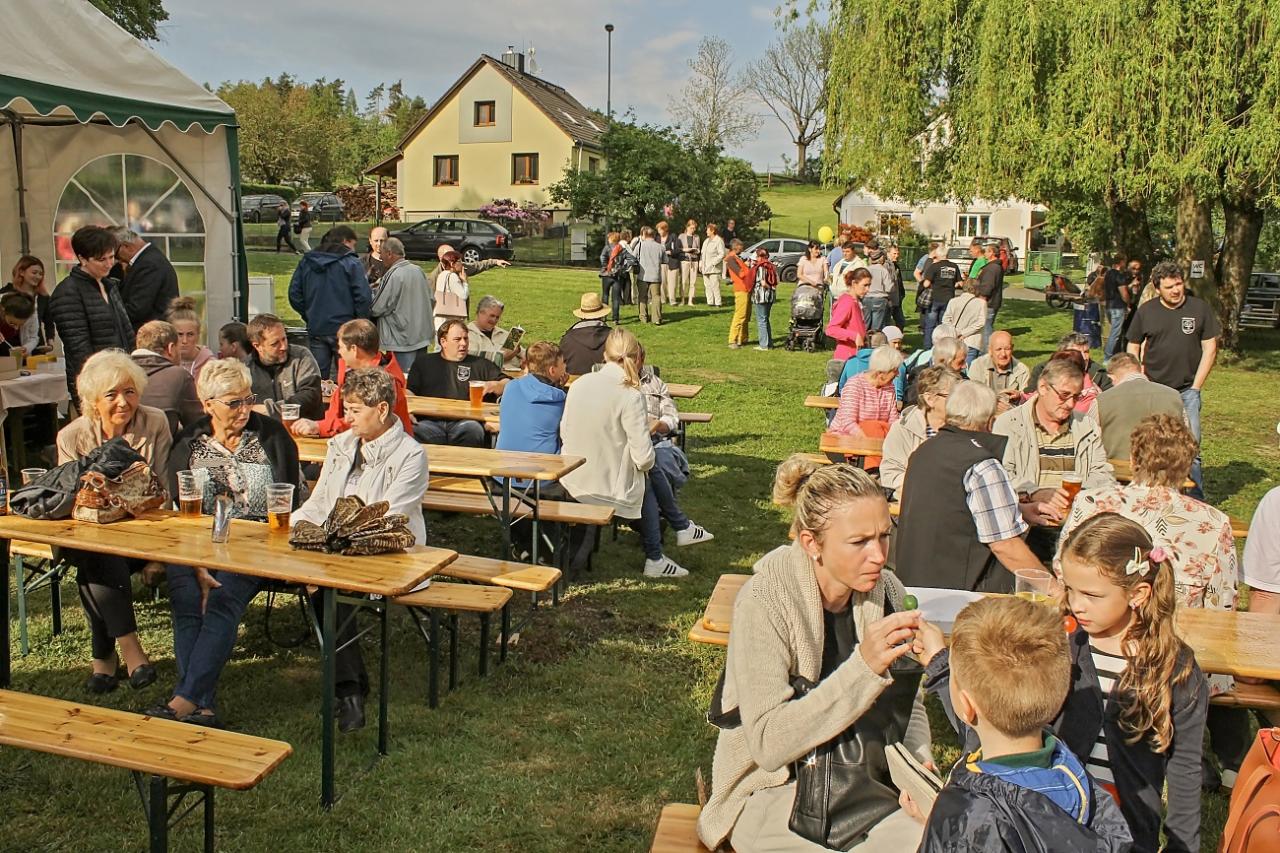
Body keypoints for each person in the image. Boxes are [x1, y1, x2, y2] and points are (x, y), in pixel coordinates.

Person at [697, 457, 932, 852]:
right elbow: (769, 745)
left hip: (868, 783)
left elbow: (912, 702)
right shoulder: (765, 601)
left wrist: (919, 769)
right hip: (776, 790)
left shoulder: (889, 591)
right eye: (859, 542)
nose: (878, 555)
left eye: (884, 536)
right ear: (811, 543)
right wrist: (864, 668)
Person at [146, 358, 304, 728]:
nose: (245, 409)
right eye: (234, 402)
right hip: (195, 542)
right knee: (187, 599)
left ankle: (185, 700)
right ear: (208, 405)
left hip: (257, 542)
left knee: (221, 599)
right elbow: (179, 508)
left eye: (248, 399)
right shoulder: (189, 443)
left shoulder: (272, 436)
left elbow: (291, 497)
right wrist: (199, 561)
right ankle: (201, 706)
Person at [909, 598, 1133, 852]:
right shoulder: (1071, 773)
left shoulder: (971, 819)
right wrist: (940, 663)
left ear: (967, 705)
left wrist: (944, 827)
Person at [1055, 513, 1208, 853]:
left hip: (1129, 835)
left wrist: (1182, 846)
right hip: (1054, 824)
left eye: (1091, 595)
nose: (1075, 604)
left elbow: (1185, 768)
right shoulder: (1064, 646)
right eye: (1069, 589)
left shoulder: (1176, 669)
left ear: (1137, 593)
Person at [294, 368, 429, 732]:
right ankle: (350, 687)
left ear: (382, 409)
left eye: (354, 410)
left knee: (326, 587)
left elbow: (388, 518)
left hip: (390, 551)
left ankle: (349, 690)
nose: (346, 417)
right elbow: (320, 502)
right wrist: (292, 524)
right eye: (346, 409)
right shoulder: (341, 445)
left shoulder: (411, 455)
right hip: (336, 547)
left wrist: (330, 541)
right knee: (320, 582)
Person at [56, 350, 171, 692]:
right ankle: (131, 649)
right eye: (112, 394)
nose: (124, 402)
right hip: (87, 534)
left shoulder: (155, 423)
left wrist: (157, 557)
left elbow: (162, 490)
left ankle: (103, 660)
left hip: (144, 533)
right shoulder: (72, 437)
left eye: (130, 392)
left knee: (93, 566)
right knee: (97, 551)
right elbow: (74, 503)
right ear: (93, 401)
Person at [560, 328, 697, 579]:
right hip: (608, 485)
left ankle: (673, 537)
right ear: (637, 358)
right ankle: (665, 545)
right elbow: (644, 458)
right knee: (648, 474)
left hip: (573, 477)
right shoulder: (631, 396)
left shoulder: (578, 385)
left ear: (604, 355)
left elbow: (564, 432)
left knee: (647, 473)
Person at [895, 381, 1047, 592]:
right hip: (963, 594)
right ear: (990, 420)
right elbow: (1005, 546)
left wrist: (1017, 509)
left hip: (913, 585)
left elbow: (950, 510)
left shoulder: (923, 451)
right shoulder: (982, 464)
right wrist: (1054, 589)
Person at [1126, 260, 1219, 499]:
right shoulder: (1146, 312)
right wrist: (1139, 377)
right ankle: (1148, 494)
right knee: (1149, 444)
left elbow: (1210, 348)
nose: (1176, 290)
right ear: (1157, 288)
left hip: (1187, 391)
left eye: (1178, 284)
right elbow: (1133, 345)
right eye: (1169, 287)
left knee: (1192, 448)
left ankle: (1195, 499)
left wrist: (1196, 387)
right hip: (1154, 388)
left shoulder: (1199, 309)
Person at [993, 357, 1115, 531]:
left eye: (1076, 397)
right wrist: (1034, 492)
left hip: (1076, 525)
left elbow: (1104, 474)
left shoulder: (1086, 425)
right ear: (1043, 387)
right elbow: (1000, 475)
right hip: (1025, 524)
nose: (1070, 404)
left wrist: (1077, 493)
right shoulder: (1009, 424)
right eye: (1064, 395)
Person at [638, 344, 714, 547]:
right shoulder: (614, 385)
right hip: (628, 444)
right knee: (651, 467)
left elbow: (671, 416)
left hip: (655, 439)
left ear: (642, 358)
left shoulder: (655, 383)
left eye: (635, 357)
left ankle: (656, 530)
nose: (631, 361)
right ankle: (675, 525)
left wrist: (660, 424)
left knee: (661, 461)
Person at [49, 225, 134, 400]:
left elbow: (127, 331)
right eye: (101, 259)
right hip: (95, 383)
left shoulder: (110, 285)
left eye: (111, 257)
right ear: (82, 258)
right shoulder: (68, 292)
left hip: (122, 375)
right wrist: (100, 381)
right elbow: (79, 348)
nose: (109, 264)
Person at [291, 319, 411, 438]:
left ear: (354, 349)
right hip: (345, 438)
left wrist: (320, 427)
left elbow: (368, 423)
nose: (339, 352)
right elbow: (334, 412)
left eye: (341, 347)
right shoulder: (349, 371)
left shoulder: (385, 382)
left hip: (385, 443)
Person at [288, 224, 372, 380]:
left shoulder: (307, 262)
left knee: (318, 379)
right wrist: (359, 321)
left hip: (318, 326)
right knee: (349, 378)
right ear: (345, 241)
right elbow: (363, 297)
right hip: (346, 328)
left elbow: (294, 294)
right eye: (353, 245)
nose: (354, 249)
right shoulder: (351, 263)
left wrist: (309, 314)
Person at [407, 319, 507, 447]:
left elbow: (509, 384)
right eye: (457, 339)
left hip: (468, 421)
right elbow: (409, 392)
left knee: (472, 430)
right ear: (443, 342)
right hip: (429, 421)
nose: (463, 343)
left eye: (466, 339)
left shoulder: (481, 364)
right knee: (415, 430)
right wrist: (407, 411)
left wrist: (495, 385)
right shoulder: (424, 363)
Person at [879, 365, 962, 498]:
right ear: (930, 399)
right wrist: (928, 486)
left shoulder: (963, 428)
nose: (960, 402)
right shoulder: (903, 429)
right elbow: (890, 475)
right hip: (914, 500)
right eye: (952, 396)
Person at [1088, 352, 1186, 460]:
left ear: (1112, 377)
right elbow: (1187, 438)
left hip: (1119, 468)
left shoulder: (1101, 401)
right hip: (1167, 467)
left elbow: (1088, 440)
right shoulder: (1174, 396)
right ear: (1141, 370)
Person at [243, 313, 324, 420]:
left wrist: (271, 409)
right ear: (257, 346)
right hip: (265, 427)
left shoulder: (301, 356)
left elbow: (310, 395)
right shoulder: (245, 368)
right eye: (275, 343)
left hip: (303, 425)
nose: (284, 347)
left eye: (284, 339)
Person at [370, 236, 433, 373]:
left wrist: (371, 293)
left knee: (402, 380)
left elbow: (377, 307)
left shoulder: (393, 274)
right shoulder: (418, 270)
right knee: (419, 378)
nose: (381, 258)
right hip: (422, 337)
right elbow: (431, 299)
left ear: (389, 253)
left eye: (382, 254)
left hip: (401, 340)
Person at [132, 320, 203, 438]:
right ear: (171, 348)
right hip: (162, 447)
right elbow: (197, 425)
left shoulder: (117, 372)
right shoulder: (179, 376)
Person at [497, 341, 568, 459]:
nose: (566, 366)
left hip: (503, 464)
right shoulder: (560, 400)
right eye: (563, 362)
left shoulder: (511, 387)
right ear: (552, 370)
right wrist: (560, 389)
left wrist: (557, 387)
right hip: (544, 466)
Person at [110, 228, 179, 331]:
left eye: (116, 255)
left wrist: (105, 317)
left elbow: (137, 308)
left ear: (126, 246)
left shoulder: (148, 264)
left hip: (153, 331)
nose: (117, 260)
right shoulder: (150, 258)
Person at [829, 345, 903, 437]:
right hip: (845, 437)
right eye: (895, 370)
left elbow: (893, 420)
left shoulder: (889, 387)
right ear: (880, 372)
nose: (898, 374)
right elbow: (848, 423)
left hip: (876, 437)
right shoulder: (854, 385)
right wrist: (867, 441)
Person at [966, 330, 1029, 410]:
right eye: (998, 349)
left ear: (1012, 348)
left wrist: (1019, 397)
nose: (1003, 354)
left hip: (1011, 414)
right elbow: (971, 396)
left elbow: (1027, 404)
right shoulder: (977, 366)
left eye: (1007, 349)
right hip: (982, 412)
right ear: (990, 350)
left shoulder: (1022, 370)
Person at [3, 255, 54, 352]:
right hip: (7, 347)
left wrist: (50, 343)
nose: (38, 277)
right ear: (21, 272)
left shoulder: (43, 297)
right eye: (34, 273)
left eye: (41, 274)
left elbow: (49, 322)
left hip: (33, 346)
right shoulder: (6, 294)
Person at [467, 295, 525, 370]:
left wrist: (526, 360)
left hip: (517, 374)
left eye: (497, 317)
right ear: (480, 313)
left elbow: (525, 354)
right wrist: (505, 356)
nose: (494, 320)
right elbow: (476, 361)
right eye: (492, 316)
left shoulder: (504, 333)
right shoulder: (467, 335)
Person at [165, 296, 215, 382]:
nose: (185, 341)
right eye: (180, 334)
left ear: (198, 335)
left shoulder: (211, 366)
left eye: (190, 334)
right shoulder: (162, 364)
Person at [919, 241, 960, 345]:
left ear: (937, 254)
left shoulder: (934, 266)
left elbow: (926, 284)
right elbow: (960, 283)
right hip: (949, 299)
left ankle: (928, 346)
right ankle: (943, 345)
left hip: (935, 299)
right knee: (944, 326)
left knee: (930, 325)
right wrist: (950, 284)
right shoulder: (954, 266)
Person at [560, 293, 612, 374]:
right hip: (606, 381)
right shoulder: (615, 338)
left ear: (581, 316)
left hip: (575, 381)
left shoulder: (567, 340)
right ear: (602, 315)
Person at [825, 266, 870, 361]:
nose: (867, 289)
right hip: (846, 356)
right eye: (865, 285)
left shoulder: (856, 302)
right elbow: (831, 329)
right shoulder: (847, 302)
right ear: (854, 283)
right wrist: (854, 336)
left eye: (869, 285)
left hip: (857, 355)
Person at [940, 278, 986, 365]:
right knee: (967, 368)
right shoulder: (981, 303)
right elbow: (981, 323)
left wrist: (954, 332)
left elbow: (945, 320)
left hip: (954, 340)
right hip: (971, 341)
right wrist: (963, 333)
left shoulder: (953, 301)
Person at [973, 241, 1005, 346]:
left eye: (986, 251)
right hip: (992, 302)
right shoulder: (995, 266)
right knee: (986, 327)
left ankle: (988, 350)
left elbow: (987, 287)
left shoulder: (992, 268)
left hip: (988, 303)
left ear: (992, 253)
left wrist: (982, 300)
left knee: (986, 329)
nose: (985, 253)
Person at [599, 231, 633, 323]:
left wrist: (605, 266)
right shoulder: (622, 248)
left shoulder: (607, 247)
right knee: (616, 298)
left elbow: (602, 257)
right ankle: (615, 318)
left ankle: (603, 316)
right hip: (617, 275)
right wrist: (621, 268)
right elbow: (629, 260)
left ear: (611, 239)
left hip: (607, 274)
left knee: (605, 295)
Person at [748, 247, 778, 350]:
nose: (756, 258)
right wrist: (772, 289)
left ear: (760, 256)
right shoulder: (771, 266)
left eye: (757, 256)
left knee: (761, 320)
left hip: (761, 296)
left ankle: (764, 345)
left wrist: (769, 288)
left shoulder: (761, 267)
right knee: (766, 319)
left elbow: (763, 283)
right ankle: (769, 343)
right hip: (770, 297)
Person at [1102, 255, 1131, 358]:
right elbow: (1124, 293)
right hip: (1118, 307)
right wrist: (1128, 304)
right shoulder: (1119, 275)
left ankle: (1113, 354)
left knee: (1113, 332)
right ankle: (1108, 357)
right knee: (1115, 334)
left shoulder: (1108, 274)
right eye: (1125, 262)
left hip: (1109, 306)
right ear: (1121, 262)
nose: (1125, 265)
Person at [634, 226, 664, 324]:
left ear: (645, 234)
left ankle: (643, 317)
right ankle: (657, 319)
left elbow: (633, 258)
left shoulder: (640, 246)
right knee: (656, 297)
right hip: (655, 276)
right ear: (654, 235)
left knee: (642, 297)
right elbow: (665, 260)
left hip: (643, 276)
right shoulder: (660, 247)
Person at [862, 243, 895, 331]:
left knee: (865, 325)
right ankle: (874, 339)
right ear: (881, 258)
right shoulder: (883, 270)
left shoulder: (866, 270)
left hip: (866, 298)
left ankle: (863, 339)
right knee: (876, 328)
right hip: (880, 299)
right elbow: (889, 288)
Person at [725, 239, 752, 347]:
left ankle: (743, 338)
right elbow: (741, 274)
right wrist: (747, 267)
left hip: (745, 288)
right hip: (741, 289)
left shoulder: (736, 258)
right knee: (740, 315)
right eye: (741, 247)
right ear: (736, 247)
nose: (742, 249)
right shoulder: (731, 259)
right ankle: (733, 340)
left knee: (746, 315)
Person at [796, 241, 830, 310]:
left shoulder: (823, 259)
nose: (818, 251)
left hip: (818, 289)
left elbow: (826, 271)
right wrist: (811, 282)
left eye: (819, 249)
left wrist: (826, 278)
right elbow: (799, 274)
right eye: (816, 249)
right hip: (804, 288)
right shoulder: (803, 259)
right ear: (810, 249)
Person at [699, 223, 726, 307]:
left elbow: (722, 254)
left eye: (708, 230)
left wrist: (714, 262)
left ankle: (718, 302)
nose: (706, 231)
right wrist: (701, 264)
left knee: (715, 286)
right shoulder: (706, 241)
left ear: (713, 231)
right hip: (705, 267)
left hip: (714, 268)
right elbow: (702, 253)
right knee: (707, 286)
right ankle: (710, 302)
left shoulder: (719, 241)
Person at [657, 221, 682, 306]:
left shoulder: (673, 237)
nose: (659, 232)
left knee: (672, 283)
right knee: (662, 282)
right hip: (661, 263)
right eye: (658, 230)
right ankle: (663, 299)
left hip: (672, 262)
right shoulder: (657, 238)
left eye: (660, 230)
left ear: (665, 229)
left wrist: (670, 252)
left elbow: (678, 249)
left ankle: (672, 300)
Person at [678, 219, 701, 306]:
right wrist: (686, 250)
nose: (693, 230)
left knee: (693, 282)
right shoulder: (681, 236)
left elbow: (699, 249)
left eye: (694, 228)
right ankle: (682, 300)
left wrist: (696, 250)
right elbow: (678, 248)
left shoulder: (697, 237)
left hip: (694, 261)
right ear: (687, 227)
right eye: (691, 228)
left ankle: (690, 300)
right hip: (685, 260)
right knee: (683, 281)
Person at [886, 244, 907, 329]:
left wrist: (902, 293)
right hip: (889, 298)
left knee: (901, 321)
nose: (897, 256)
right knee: (887, 322)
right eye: (894, 253)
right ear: (888, 253)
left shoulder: (896, 265)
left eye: (898, 253)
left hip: (897, 298)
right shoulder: (886, 265)